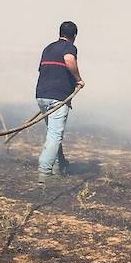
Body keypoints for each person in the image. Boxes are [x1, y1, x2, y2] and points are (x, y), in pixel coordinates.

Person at [35, 20, 83, 184]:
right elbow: (69, 60)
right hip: (58, 98)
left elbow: (41, 69)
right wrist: (78, 80)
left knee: (51, 132)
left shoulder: (48, 47)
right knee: (55, 135)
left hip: (41, 95)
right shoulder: (69, 47)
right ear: (74, 36)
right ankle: (44, 173)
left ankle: (57, 166)